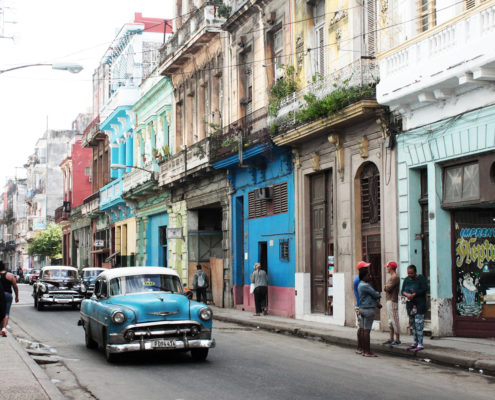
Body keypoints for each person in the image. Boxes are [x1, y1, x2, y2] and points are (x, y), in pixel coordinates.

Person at [401, 264, 427, 352]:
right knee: (413, 325)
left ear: (415, 272)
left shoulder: (421, 278)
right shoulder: (406, 280)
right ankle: (415, 342)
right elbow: (402, 290)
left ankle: (420, 343)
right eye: (408, 273)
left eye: (411, 273)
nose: (410, 275)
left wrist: (415, 294)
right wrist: (407, 294)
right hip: (410, 305)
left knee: (419, 324)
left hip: (419, 305)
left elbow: (424, 289)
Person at [358, 267, 381, 357]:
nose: (369, 277)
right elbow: (376, 294)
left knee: (364, 330)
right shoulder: (365, 285)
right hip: (368, 309)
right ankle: (367, 351)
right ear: (364, 276)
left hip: (362, 308)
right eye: (368, 275)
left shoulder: (360, 284)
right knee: (367, 331)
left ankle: (364, 350)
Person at [354, 260, 370, 354]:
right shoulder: (359, 280)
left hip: (360, 304)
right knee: (361, 328)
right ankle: (360, 347)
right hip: (360, 305)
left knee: (361, 327)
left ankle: (361, 347)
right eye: (366, 268)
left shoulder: (359, 279)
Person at [383, 261, 401, 345]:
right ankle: (391, 338)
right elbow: (386, 287)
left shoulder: (395, 277)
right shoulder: (392, 277)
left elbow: (388, 288)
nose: (387, 268)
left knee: (394, 319)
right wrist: (386, 287)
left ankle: (397, 339)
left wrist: (386, 286)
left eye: (388, 267)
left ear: (391, 268)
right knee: (390, 320)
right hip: (389, 300)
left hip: (393, 300)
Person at [0, 261, 19, 337]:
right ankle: (4, 329)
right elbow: (15, 287)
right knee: (6, 312)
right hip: (8, 295)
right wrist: (17, 296)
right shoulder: (10, 276)